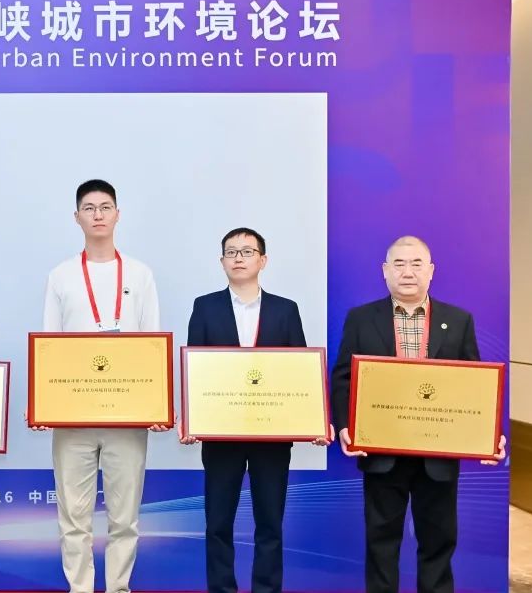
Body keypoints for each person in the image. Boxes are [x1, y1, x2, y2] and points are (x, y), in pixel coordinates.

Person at [331, 235, 507, 593]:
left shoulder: (459, 321)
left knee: (438, 543)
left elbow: (475, 385)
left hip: (437, 457)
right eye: (399, 264)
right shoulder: (361, 319)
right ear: (385, 271)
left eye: (416, 264)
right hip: (382, 454)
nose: (407, 272)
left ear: (431, 271)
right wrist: (346, 426)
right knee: (381, 544)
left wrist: (486, 435)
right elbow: (343, 378)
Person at [183, 228, 332, 593]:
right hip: (221, 435)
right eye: (231, 252)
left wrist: (314, 420)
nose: (239, 258)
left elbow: (299, 371)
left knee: (270, 523)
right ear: (221, 261)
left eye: (247, 251)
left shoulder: (285, 309)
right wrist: (190, 418)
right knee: (218, 523)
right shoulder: (205, 307)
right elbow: (195, 368)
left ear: (263, 260)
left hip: (271, 436)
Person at [38, 179, 165, 593]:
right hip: (72, 418)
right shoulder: (60, 275)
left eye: (105, 207)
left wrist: (158, 405)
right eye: (89, 208)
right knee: (73, 519)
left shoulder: (141, 274)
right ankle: (79, 588)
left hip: (127, 418)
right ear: (77, 217)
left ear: (117, 215)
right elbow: (49, 345)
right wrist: (44, 403)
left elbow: (152, 344)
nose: (97, 214)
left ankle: (118, 588)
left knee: (124, 519)